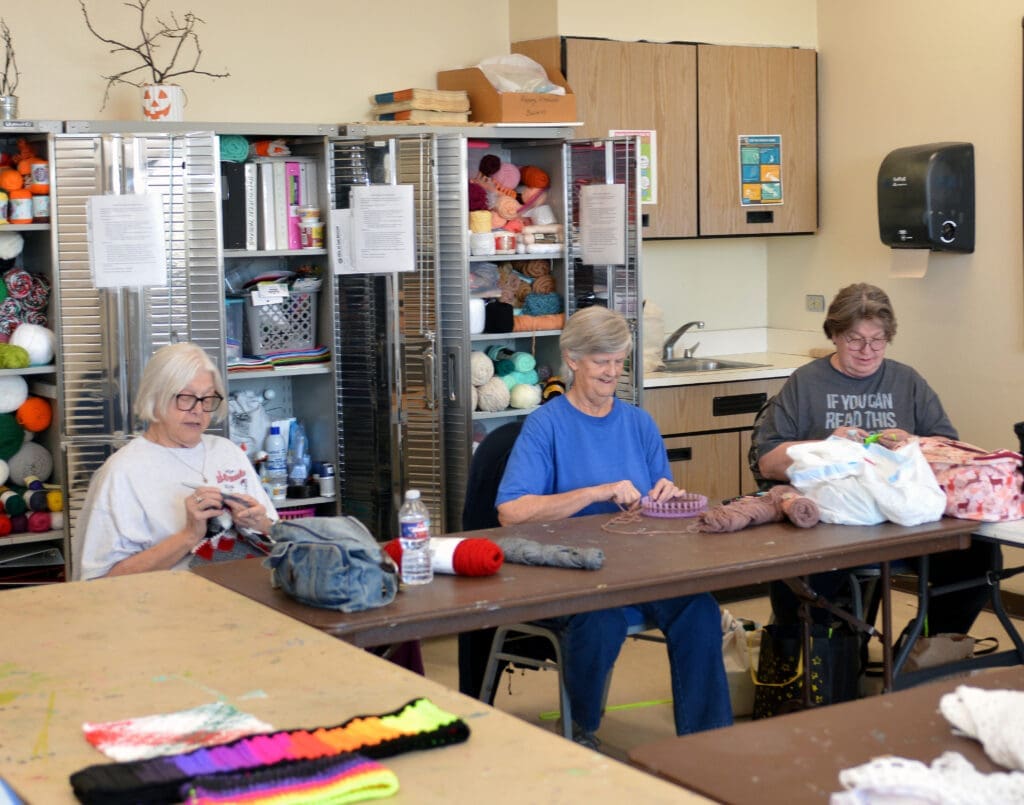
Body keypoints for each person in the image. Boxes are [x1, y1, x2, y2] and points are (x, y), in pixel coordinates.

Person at [496, 306, 733, 746]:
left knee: (698, 609)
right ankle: (581, 728)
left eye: (619, 360)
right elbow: (511, 511)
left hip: (638, 570)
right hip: (573, 576)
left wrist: (668, 496)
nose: (612, 372)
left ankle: (708, 744)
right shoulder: (544, 426)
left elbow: (660, 499)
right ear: (571, 359)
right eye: (601, 361)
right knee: (599, 619)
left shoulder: (639, 423)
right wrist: (594, 492)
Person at [752, 282, 992, 634]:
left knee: (979, 560)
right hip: (832, 522)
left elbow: (948, 450)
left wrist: (914, 443)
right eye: (855, 339)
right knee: (807, 577)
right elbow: (768, 462)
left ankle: (921, 651)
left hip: (903, 519)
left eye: (877, 340)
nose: (867, 351)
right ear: (834, 335)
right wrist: (827, 445)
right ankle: (825, 661)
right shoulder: (806, 384)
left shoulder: (906, 381)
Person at [74, 342, 277, 580]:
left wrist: (260, 523)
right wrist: (190, 535)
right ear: (155, 398)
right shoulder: (122, 471)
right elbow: (100, 582)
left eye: (208, 398)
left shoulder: (227, 452)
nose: (198, 410)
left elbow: (276, 534)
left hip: (241, 593)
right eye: (186, 398)